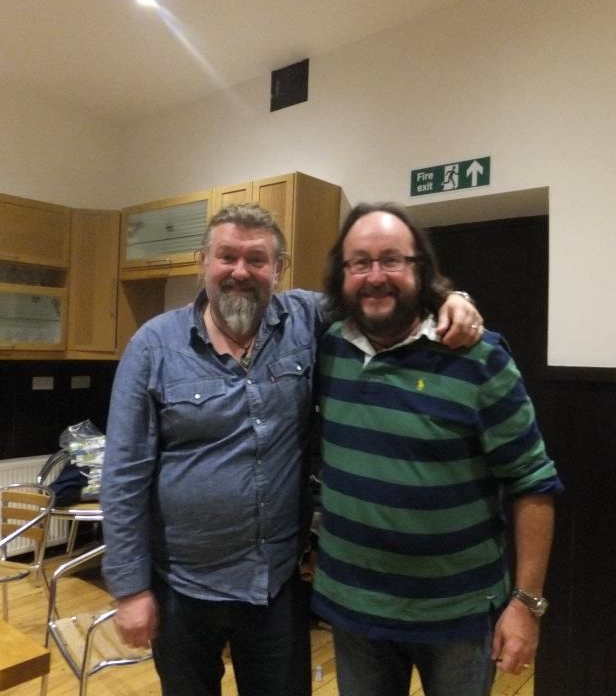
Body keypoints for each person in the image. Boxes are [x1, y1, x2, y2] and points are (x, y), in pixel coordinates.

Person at [100, 203, 483, 696]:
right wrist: (130, 588)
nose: (241, 271)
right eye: (227, 256)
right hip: (182, 586)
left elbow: (378, 293)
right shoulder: (153, 346)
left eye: (257, 259)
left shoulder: (306, 319)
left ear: (278, 268)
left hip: (275, 585)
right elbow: (123, 476)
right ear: (203, 261)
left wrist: (451, 296)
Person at [311, 202, 563, 696]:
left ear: (421, 268)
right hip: (354, 609)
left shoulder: (478, 356)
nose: (375, 276)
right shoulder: (327, 347)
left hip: (458, 615)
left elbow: (533, 481)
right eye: (359, 262)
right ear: (342, 274)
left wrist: (526, 604)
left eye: (392, 260)